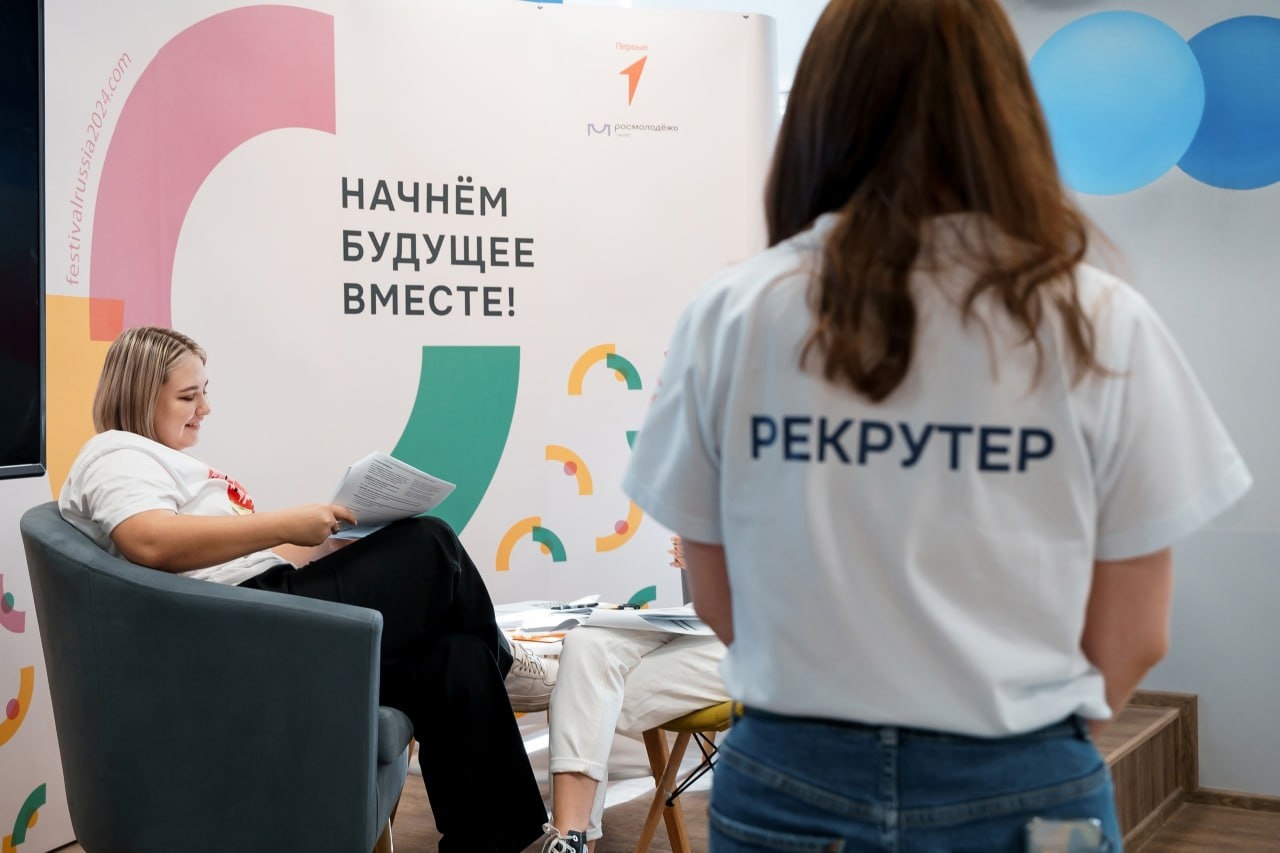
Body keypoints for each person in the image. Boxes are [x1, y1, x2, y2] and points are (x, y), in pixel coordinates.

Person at [621, 0, 1252, 850]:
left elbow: (714, 591)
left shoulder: (733, 313)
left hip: (790, 777)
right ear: (1004, 113)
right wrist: (1021, 752)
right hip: (1026, 780)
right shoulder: (1097, 318)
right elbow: (1137, 631)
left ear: (821, 111)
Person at [58, 325, 552, 852]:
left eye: (204, 391)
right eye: (188, 395)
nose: (204, 408)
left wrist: (326, 542)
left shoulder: (159, 460)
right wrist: (285, 523)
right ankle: (506, 662)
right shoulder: (116, 453)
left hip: (258, 610)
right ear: (139, 396)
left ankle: (494, 842)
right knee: (432, 544)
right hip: (240, 627)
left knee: (458, 658)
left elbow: (220, 556)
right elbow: (149, 541)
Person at [541, 538, 728, 852]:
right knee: (585, 645)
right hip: (706, 613)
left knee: (585, 695)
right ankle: (570, 839)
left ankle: (575, 839)